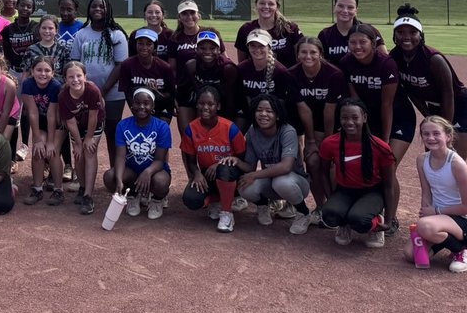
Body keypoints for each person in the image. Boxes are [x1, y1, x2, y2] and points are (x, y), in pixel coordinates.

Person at [338, 22, 414, 213]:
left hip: (398, 118)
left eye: (362, 42)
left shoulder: (386, 63)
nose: (357, 47)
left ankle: (391, 217)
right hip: (371, 118)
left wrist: (385, 141)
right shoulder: (346, 62)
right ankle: (371, 210)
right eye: (353, 42)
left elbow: (387, 104)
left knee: (389, 166)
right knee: (369, 166)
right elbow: (355, 100)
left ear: (373, 43)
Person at [392, 4, 467, 159]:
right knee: (434, 159)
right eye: (400, 32)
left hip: (463, 109)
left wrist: (444, 129)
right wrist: (430, 117)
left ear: (421, 35)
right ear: (394, 35)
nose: (406, 37)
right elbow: (411, 92)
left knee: (450, 160)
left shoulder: (433, 59)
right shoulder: (395, 58)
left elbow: (448, 94)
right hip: (436, 110)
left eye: (413, 32)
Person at [220, 94, 313, 234]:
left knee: (280, 181)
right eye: (259, 110)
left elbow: (286, 167)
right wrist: (237, 161)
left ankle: (304, 213)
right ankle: (263, 206)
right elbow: (250, 167)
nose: (263, 114)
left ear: (277, 116)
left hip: (296, 183)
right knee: (244, 185)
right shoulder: (252, 133)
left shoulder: (287, 131)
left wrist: (254, 175)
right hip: (271, 182)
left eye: (269, 111)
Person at [316, 99, 398, 249]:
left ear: (364, 118)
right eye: (344, 118)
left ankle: (376, 223)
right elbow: (323, 172)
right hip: (345, 190)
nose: (349, 122)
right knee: (329, 215)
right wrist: (331, 199)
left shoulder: (380, 147)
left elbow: (388, 185)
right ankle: (344, 224)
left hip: (372, 191)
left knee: (359, 220)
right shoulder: (330, 143)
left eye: (355, 117)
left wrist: (388, 220)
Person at [406, 116, 467, 272]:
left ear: (448, 136)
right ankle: (444, 239)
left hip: (466, 219)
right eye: (426, 134)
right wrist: (425, 216)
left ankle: (462, 251)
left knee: (425, 227)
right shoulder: (421, 160)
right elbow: (426, 192)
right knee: (410, 255)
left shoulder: (457, 164)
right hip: (438, 218)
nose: (430, 138)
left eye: (436, 133)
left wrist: (435, 212)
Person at [289, 36, 348, 224]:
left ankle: (336, 207)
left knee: (332, 165)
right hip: (310, 124)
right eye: (304, 52)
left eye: (313, 52)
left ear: (321, 54)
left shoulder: (334, 74)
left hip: (332, 124)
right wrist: (311, 142)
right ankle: (320, 208)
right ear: (298, 54)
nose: (308, 56)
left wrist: (327, 144)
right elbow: (303, 109)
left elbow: (329, 110)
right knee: (313, 161)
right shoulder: (292, 74)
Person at [67, 0, 127, 169]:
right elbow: (75, 63)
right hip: (84, 94)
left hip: (113, 94)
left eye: (102, 6)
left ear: (108, 9)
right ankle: (84, 176)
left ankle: (115, 172)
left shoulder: (117, 34)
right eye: (94, 6)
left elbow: (121, 65)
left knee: (112, 133)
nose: (98, 9)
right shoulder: (82, 34)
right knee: (85, 134)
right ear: (89, 9)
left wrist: (102, 91)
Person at [179, 87, 246, 232]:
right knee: (191, 199)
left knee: (225, 169)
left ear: (218, 106)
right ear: (197, 105)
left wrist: (220, 163)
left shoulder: (230, 128)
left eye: (210, 104)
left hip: (231, 173)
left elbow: (242, 158)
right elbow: (191, 161)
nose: (205, 107)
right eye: (201, 103)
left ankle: (227, 214)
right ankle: (217, 200)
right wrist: (197, 174)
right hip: (208, 174)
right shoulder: (191, 129)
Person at [105, 89, 172, 220]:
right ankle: (133, 195)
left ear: (153, 106)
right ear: (132, 105)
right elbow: (120, 156)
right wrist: (119, 179)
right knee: (110, 177)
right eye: (137, 103)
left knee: (161, 182)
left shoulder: (162, 127)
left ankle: (157, 199)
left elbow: (160, 160)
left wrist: (147, 172)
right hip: (132, 170)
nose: (141, 106)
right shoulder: (123, 125)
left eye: (146, 103)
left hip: (154, 170)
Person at [58, 60, 106, 216]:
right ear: (65, 79)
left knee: (89, 151)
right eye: (71, 77)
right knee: (78, 154)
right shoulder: (63, 96)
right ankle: (83, 186)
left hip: (94, 123)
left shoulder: (92, 90)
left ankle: (88, 196)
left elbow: (93, 116)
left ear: (85, 77)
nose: (75, 80)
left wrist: (89, 138)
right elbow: (70, 122)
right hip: (77, 125)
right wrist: (78, 143)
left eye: (79, 76)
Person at [20, 55, 64, 205]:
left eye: (47, 70)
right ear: (32, 71)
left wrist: (50, 142)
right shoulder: (28, 84)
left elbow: (52, 115)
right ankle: (37, 188)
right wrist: (37, 139)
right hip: (40, 121)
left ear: (53, 73)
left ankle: (58, 190)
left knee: (52, 152)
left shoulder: (56, 86)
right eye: (39, 70)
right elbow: (32, 112)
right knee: (38, 150)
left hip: (57, 123)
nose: (43, 74)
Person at [178, 30, 238, 135]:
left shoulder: (228, 68)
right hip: (202, 102)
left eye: (212, 48)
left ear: (219, 50)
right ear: (196, 50)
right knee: (188, 106)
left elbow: (231, 99)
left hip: (224, 103)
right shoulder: (191, 66)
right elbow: (184, 92)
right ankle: (188, 140)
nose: (207, 52)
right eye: (202, 48)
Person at [235, 30, 296, 130]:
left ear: (269, 47)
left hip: (272, 115)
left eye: (261, 46)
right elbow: (241, 98)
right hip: (249, 112)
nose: (257, 49)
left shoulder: (280, 71)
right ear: (248, 47)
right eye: (253, 46)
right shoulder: (241, 69)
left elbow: (282, 103)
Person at [117, 29, 177, 122]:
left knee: (160, 128)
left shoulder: (164, 67)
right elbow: (127, 92)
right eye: (140, 43)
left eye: (149, 44)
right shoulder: (127, 65)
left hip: (162, 106)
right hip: (140, 107)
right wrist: (136, 111)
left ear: (154, 46)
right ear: (135, 45)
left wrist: (157, 93)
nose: (144, 47)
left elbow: (171, 93)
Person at [235, 0, 302, 68]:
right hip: (257, 75)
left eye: (271, 4)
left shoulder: (290, 28)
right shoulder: (246, 29)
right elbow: (242, 62)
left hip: (287, 74)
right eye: (262, 3)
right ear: (256, 5)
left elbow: (301, 57)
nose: (266, 6)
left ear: (277, 7)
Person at [316, 0, 385, 64]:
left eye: (350, 7)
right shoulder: (325, 34)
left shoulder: (370, 31)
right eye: (340, 6)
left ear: (356, 10)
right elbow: (321, 63)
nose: (345, 11)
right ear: (334, 8)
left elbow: (384, 60)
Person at [0, 0, 40, 77]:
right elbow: (6, 53)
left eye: (29, 7)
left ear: (33, 10)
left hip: (33, 72)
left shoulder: (37, 27)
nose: (25, 8)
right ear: (17, 6)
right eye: (22, 5)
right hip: (14, 71)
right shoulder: (8, 29)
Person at [128, 0, 176, 66]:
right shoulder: (136, 34)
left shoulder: (171, 35)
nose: (153, 15)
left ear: (163, 15)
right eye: (150, 12)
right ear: (145, 15)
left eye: (157, 12)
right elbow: (131, 59)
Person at [170, 0, 206, 69]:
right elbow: (172, 68)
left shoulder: (209, 34)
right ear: (179, 17)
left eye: (192, 13)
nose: (189, 17)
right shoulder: (175, 38)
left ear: (198, 15)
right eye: (184, 14)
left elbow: (224, 60)